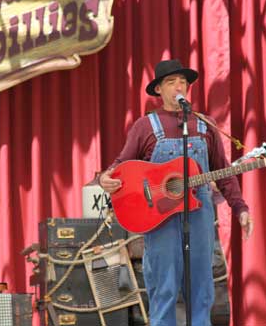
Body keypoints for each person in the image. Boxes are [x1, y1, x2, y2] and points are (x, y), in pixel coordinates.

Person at [99, 59, 253, 326]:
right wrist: (105, 177)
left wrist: (240, 207)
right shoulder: (145, 126)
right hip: (159, 217)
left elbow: (223, 171)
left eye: (183, 81)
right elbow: (121, 164)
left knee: (201, 286)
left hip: (200, 212)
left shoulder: (205, 125)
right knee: (164, 286)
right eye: (171, 82)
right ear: (158, 90)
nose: (179, 86)